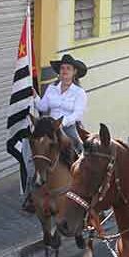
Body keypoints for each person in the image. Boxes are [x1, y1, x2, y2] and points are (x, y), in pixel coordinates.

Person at [22, 53, 88, 213]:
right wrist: (35, 96)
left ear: (74, 72)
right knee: (33, 151)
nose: (64, 71)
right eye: (62, 68)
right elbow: (44, 107)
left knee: (81, 152)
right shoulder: (52, 89)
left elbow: (77, 114)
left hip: (68, 127)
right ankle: (31, 193)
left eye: (68, 69)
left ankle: (84, 188)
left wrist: (61, 123)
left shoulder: (79, 93)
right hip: (48, 127)